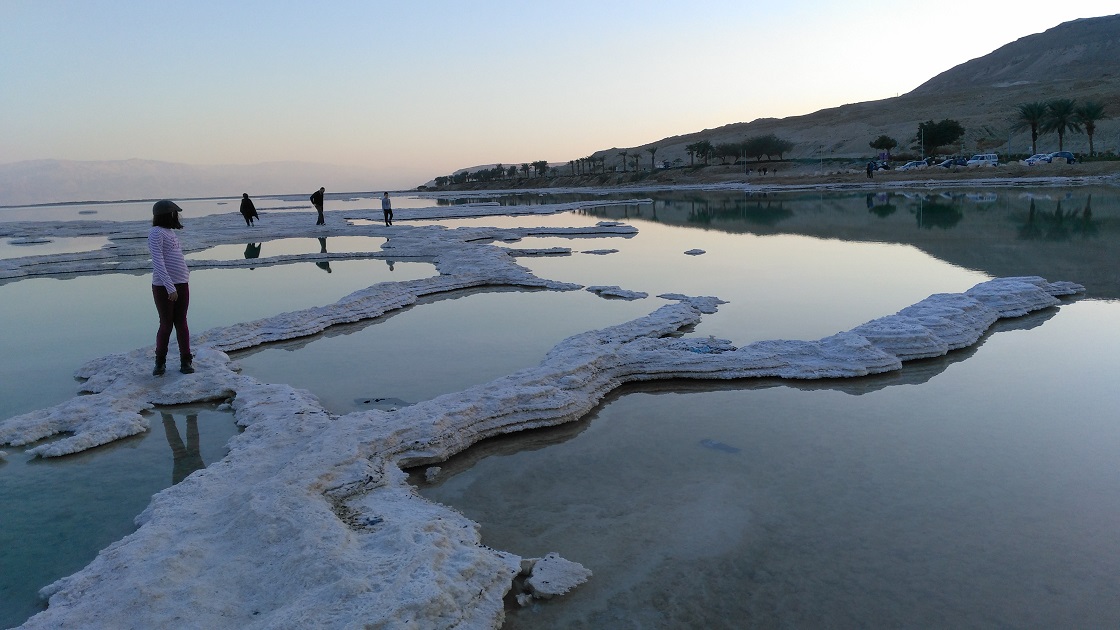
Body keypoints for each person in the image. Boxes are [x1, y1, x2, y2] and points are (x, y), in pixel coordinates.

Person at [148, 199, 194, 375]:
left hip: (181, 282)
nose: (177, 216)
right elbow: (158, 262)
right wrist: (170, 287)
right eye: (174, 213)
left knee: (181, 322)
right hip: (164, 287)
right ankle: (160, 362)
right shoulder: (156, 233)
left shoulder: (169, 232)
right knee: (166, 324)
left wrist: (184, 276)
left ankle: (186, 361)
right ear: (166, 215)